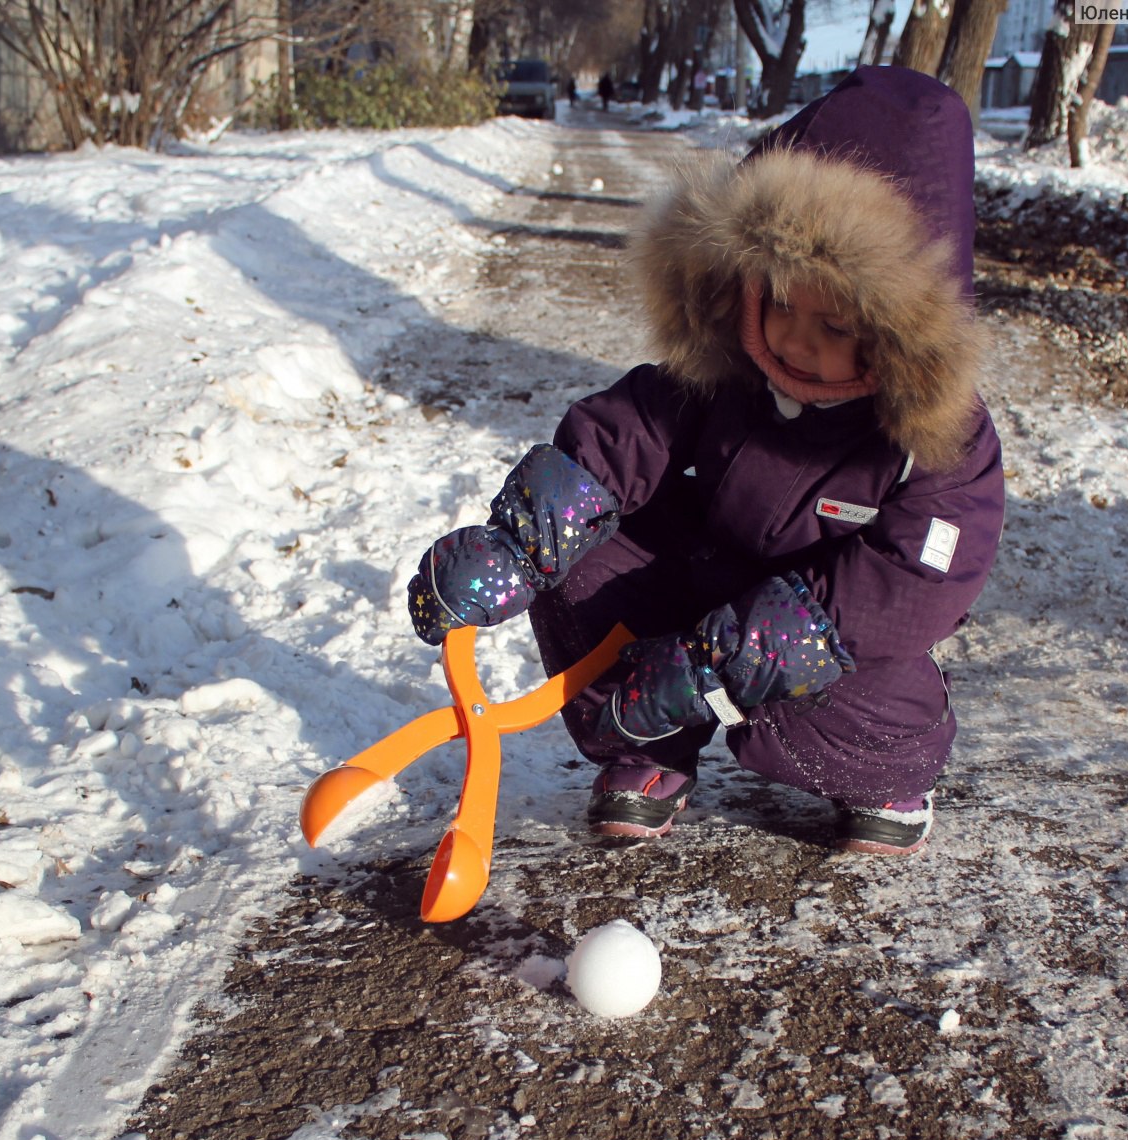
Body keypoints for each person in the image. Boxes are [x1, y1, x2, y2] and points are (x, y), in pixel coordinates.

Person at [407, 66, 1005, 856]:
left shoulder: (939, 447)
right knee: (585, 561)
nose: (797, 341)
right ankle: (644, 749)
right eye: (782, 303)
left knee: (824, 689)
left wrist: (720, 665)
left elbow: (910, 585)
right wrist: (514, 548)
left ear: (899, 332)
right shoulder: (722, 375)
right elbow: (613, 446)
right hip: (707, 585)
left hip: (829, 641)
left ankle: (883, 774)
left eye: (836, 324)